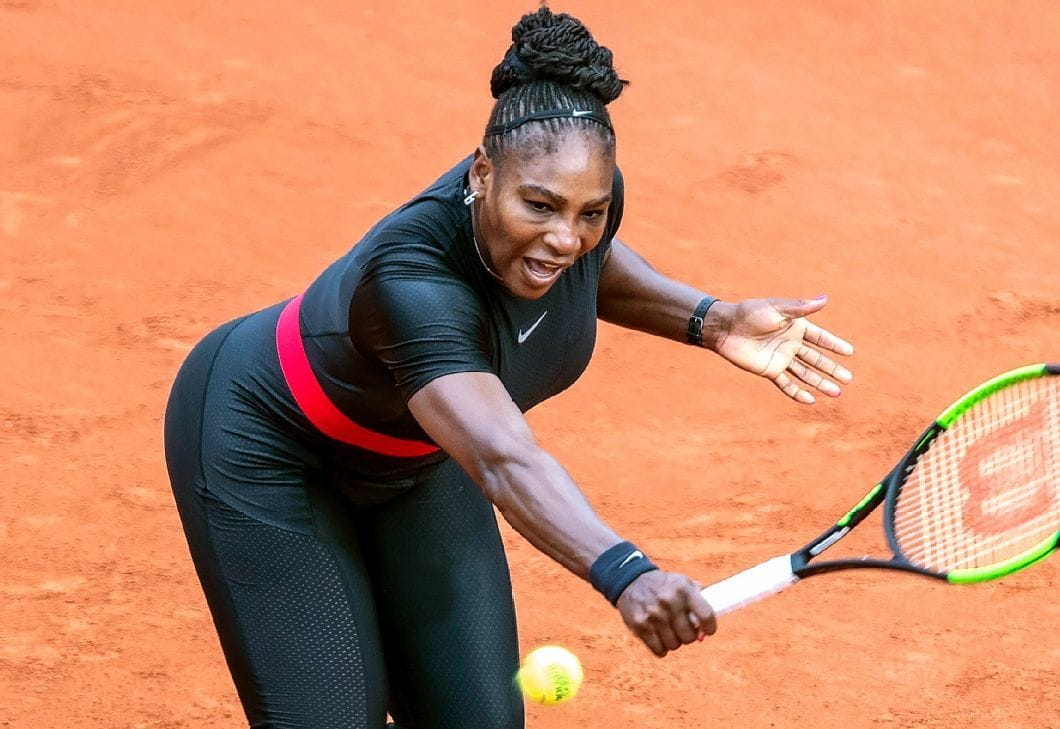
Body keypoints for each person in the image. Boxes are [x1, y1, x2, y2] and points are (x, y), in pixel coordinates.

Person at [163, 6, 853, 728]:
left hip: (417, 459)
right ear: (482, 172)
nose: (565, 236)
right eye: (540, 204)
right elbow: (501, 455)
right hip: (269, 446)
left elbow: (594, 267)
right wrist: (627, 572)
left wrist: (711, 318)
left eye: (591, 211)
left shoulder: (583, 214)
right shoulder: (410, 283)